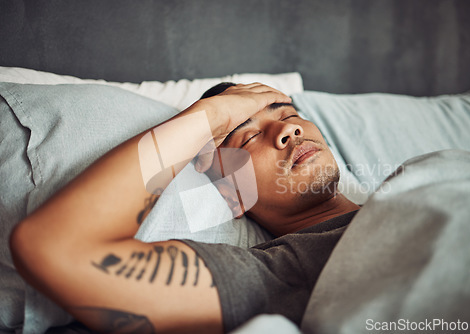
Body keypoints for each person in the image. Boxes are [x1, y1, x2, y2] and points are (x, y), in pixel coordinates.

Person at [10, 83, 360, 333]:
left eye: (289, 114)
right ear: (232, 195)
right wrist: (209, 116)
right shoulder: (276, 277)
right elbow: (55, 246)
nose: (288, 129)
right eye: (249, 137)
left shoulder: (406, 179)